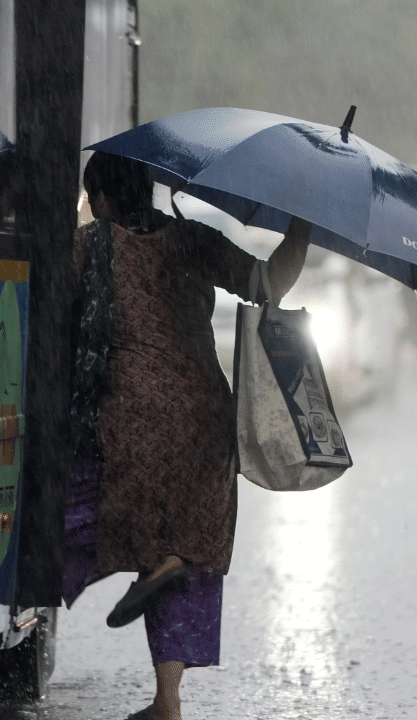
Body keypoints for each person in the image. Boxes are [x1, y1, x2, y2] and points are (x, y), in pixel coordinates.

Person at [63, 152, 310, 720]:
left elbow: (48, 302)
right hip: (204, 420)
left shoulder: (92, 245)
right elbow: (268, 283)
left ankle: (149, 559)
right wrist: (302, 225)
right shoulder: (192, 240)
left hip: (130, 418)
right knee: (190, 554)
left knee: (72, 514)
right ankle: (167, 700)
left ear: (99, 198)